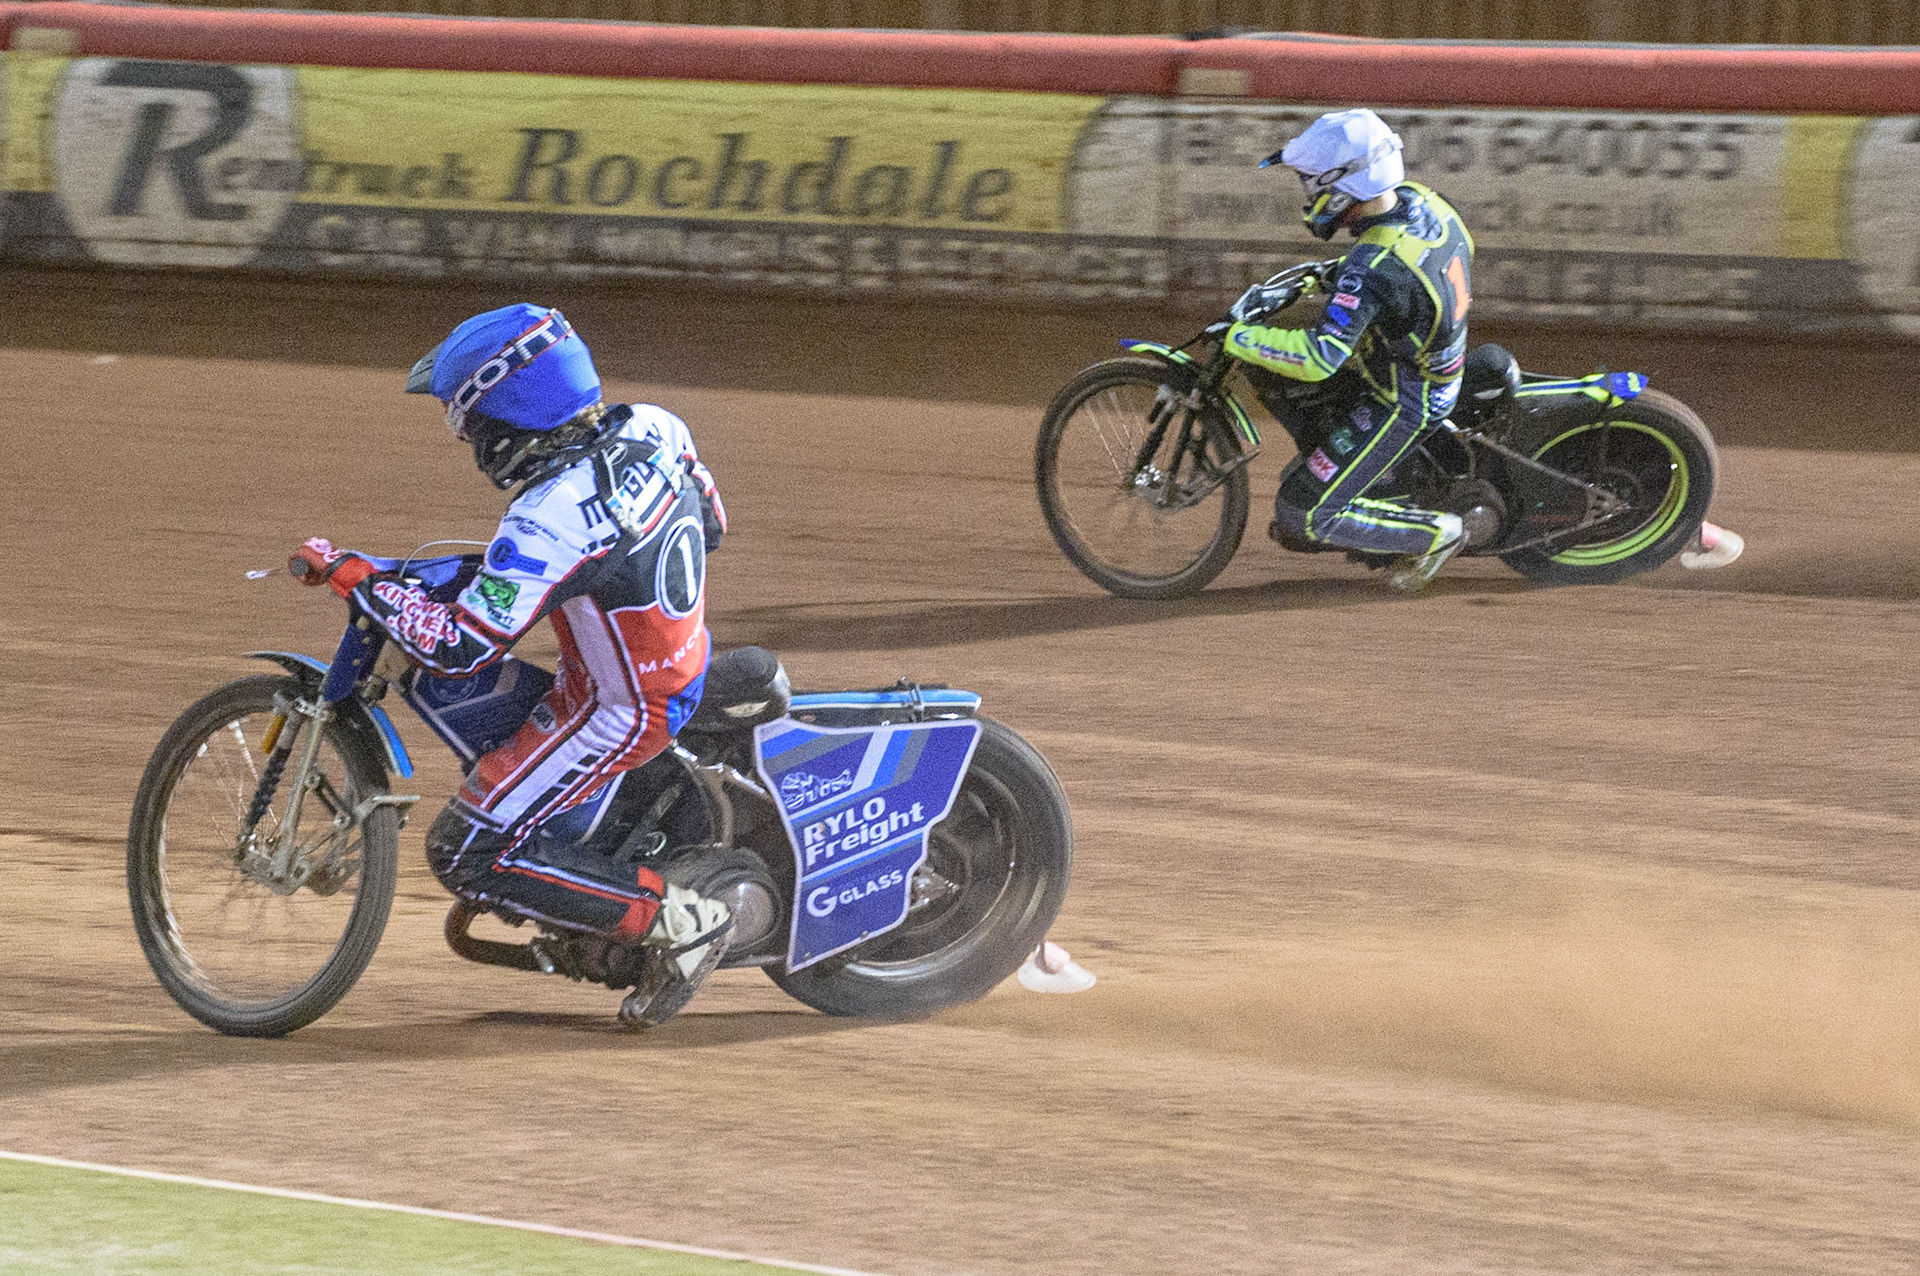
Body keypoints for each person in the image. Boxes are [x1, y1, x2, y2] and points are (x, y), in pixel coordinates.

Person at [293, 303, 732, 1023]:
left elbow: (459, 648)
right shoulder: (656, 425)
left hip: (618, 711)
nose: (469, 443)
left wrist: (356, 578)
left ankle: (681, 922)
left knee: (464, 851)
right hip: (677, 657)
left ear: (507, 419)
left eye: (471, 425)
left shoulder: (548, 515)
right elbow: (711, 525)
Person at [1224, 108, 1475, 594]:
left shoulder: (1374, 266)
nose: (1310, 195)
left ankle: (1436, 535)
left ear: (1343, 184)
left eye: (1312, 183)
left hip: (1407, 397)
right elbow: (1400, 264)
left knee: (1301, 512)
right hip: (1430, 355)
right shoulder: (1423, 200)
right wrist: (1331, 277)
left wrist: (1240, 337)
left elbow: (1321, 357)